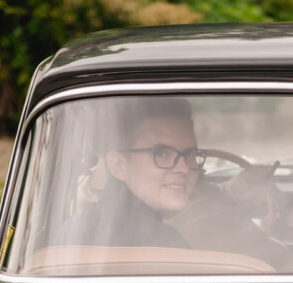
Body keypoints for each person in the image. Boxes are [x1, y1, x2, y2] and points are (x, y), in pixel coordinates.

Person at [52, 97, 203, 249]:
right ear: (119, 166)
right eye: (162, 154)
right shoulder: (169, 244)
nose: (184, 168)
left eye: (190, 154)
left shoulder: (71, 229)